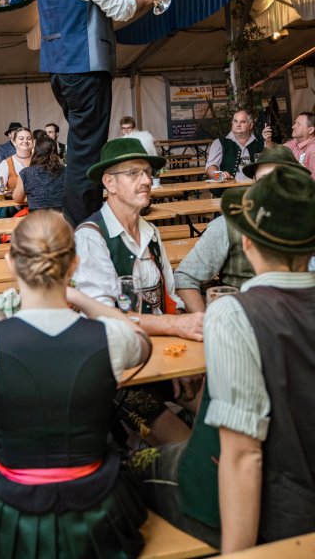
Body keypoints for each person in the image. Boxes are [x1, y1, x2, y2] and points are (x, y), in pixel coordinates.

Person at [131, 167, 315, 552]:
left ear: (247, 241)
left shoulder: (234, 314)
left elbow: (243, 456)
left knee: (124, 472)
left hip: (277, 515)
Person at [0, 209, 150, 559]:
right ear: (74, 265)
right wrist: (81, 298)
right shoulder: (108, 336)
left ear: (12, 263)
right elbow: (140, 339)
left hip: (14, 510)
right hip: (96, 507)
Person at [37, 0, 157, 226]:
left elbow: (73, 8)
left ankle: (83, 220)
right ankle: (83, 226)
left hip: (59, 68)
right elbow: (119, 9)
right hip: (85, 66)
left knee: (81, 147)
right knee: (86, 153)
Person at [74, 137, 203, 444]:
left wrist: (186, 362)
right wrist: (176, 326)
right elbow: (106, 320)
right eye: (134, 173)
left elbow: (171, 299)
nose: (146, 180)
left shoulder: (151, 232)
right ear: (109, 183)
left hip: (164, 357)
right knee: (184, 444)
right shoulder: (91, 237)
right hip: (119, 371)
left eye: (147, 172)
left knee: (225, 419)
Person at [175, 145, 310, 311]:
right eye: (264, 180)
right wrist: (204, 321)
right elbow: (185, 278)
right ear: (254, 183)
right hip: (243, 316)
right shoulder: (228, 225)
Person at [205, 109, 263, 182]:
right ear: (232, 123)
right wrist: (220, 176)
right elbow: (210, 168)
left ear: (250, 125)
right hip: (229, 187)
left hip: (256, 187)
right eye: (235, 121)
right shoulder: (219, 143)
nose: (238, 125)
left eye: (242, 122)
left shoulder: (261, 142)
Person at [13, 134, 65, 211]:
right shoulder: (65, 171)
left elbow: (17, 199)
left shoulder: (26, 173)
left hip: (37, 217)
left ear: (36, 151)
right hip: (61, 216)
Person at [262, 110, 315, 178]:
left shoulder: (313, 149)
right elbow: (274, 153)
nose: (293, 126)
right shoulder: (295, 142)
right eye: (295, 123)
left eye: (298, 124)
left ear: (310, 130)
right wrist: (268, 141)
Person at [0, 127, 33, 192]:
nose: (25, 141)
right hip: (14, 198)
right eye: (21, 138)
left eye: (29, 138)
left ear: (32, 142)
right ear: (14, 142)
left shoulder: (39, 161)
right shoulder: (6, 164)